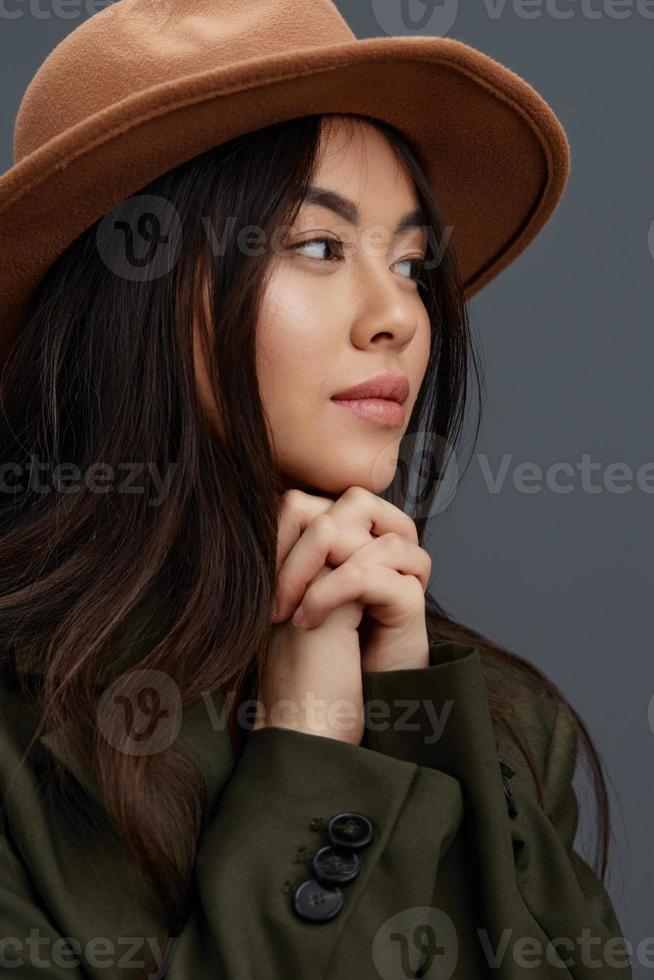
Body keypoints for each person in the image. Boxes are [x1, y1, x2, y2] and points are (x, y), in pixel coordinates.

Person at [0, 1, 632, 977]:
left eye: (416, 261)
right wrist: (311, 754)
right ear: (141, 283)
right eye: (319, 247)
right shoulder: (23, 738)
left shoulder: (497, 715)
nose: (399, 317)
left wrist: (411, 712)